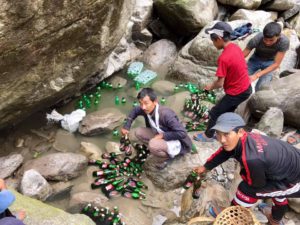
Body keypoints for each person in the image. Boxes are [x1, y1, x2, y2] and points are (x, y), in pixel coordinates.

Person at [194, 112, 300, 225]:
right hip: (288, 168)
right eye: (218, 134)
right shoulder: (247, 136)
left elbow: (256, 185)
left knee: (246, 189)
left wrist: (244, 172)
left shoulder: (252, 158)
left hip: (295, 181)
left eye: (226, 134)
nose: (222, 140)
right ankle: (275, 219)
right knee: (274, 191)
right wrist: (205, 167)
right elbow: (224, 152)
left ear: (240, 132)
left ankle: (232, 215)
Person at [194, 21, 252, 142]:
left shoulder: (224, 58)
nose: (213, 43)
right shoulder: (235, 47)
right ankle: (226, 131)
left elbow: (220, 83)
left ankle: (208, 136)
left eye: (213, 40)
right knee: (227, 109)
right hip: (246, 88)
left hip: (237, 91)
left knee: (215, 112)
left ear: (219, 39)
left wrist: (209, 87)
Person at [121, 88, 193, 169]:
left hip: (177, 141)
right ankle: (159, 149)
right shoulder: (146, 109)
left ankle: (166, 157)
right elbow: (135, 111)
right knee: (138, 132)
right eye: (141, 104)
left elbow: (182, 133)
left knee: (152, 144)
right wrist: (126, 126)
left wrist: (162, 136)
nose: (143, 107)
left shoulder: (166, 114)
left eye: (146, 103)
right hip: (159, 134)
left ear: (155, 102)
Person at [243, 22, 290, 92]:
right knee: (241, 80)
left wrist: (256, 75)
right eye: (265, 39)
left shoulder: (284, 42)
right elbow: (243, 54)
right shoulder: (257, 38)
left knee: (261, 88)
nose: (267, 42)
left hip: (271, 62)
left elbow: (276, 64)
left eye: (271, 40)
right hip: (255, 59)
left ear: (279, 36)